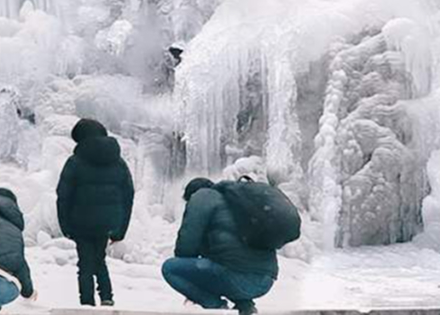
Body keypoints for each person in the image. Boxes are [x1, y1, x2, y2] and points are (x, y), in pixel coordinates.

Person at [161, 178, 278, 315]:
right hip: (265, 281)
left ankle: (216, 306)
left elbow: (186, 247)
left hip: (237, 279)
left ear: (192, 196)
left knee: (170, 268)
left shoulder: (203, 198)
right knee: (225, 263)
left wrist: (194, 285)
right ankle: (245, 305)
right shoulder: (237, 203)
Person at [56, 118, 135, 306]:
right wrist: (120, 229)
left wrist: (65, 226)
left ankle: (87, 303)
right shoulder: (119, 162)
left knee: (85, 264)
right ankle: (107, 298)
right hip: (108, 222)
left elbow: (63, 195)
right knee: (100, 259)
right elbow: (128, 195)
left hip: (81, 222)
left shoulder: (75, 161)